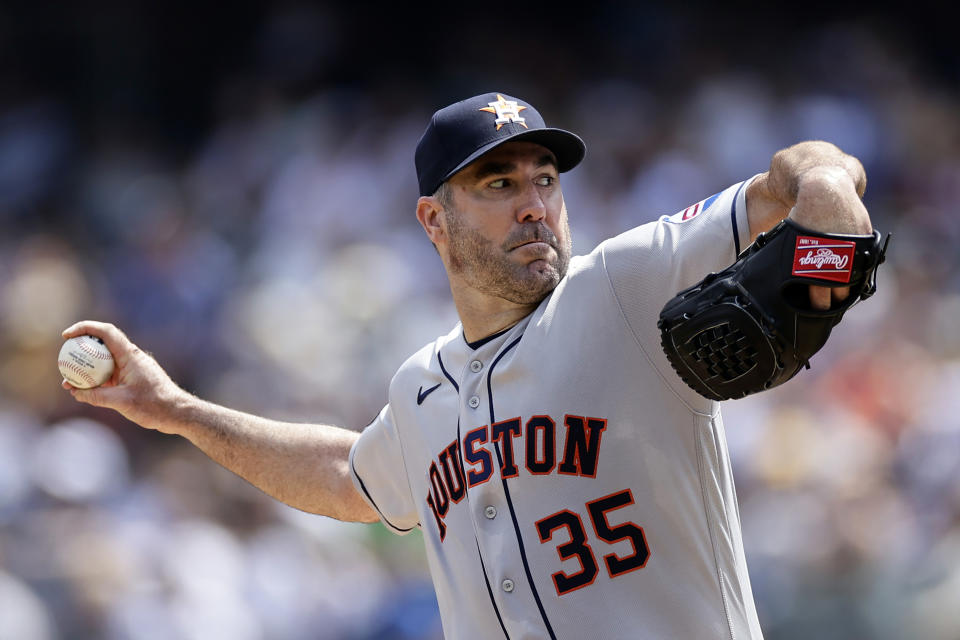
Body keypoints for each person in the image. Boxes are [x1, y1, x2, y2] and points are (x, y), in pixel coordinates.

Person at [63, 92, 873, 639]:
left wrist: (831, 186)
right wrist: (175, 409)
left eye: (545, 179)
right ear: (434, 219)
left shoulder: (620, 285)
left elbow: (793, 177)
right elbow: (349, 478)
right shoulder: (422, 387)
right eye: (498, 182)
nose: (533, 202)